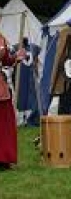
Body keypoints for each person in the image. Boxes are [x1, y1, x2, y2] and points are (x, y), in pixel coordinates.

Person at [0, 31, 26, 170]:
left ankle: (3, 159)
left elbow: (6, 61)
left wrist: (16, 57)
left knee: (4, 124)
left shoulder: (1, 38)